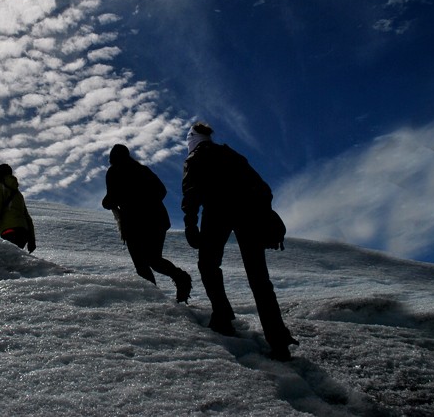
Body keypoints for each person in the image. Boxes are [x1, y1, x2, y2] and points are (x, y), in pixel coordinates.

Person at [181, 122, 298, 361]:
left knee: (208, 265)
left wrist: (190, 226)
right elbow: (263, 187)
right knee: (259, 278)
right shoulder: (231, 154)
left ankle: (222, 318)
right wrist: (263, 212)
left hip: (217, 212)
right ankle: (278, 342)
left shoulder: (196, 156)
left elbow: (191, 193)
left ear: (192, 140)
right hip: (250, 214)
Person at [102, 144, 192, 303]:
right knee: (153, 260)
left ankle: (154, 299)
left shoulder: (114, 171)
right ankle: (180, 278)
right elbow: (161, 191)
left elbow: (112, 198)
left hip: (135, 224)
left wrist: (120, 202)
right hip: (157, 221)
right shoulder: (142, 169)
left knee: (142, 263)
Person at [0, 163, 36, 253]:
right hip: (23, 233)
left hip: (9, 231)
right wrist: (31, 241)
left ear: (0, 174)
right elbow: (28, 218)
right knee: (13, 260)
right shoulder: (18, 194)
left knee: (5, 261)